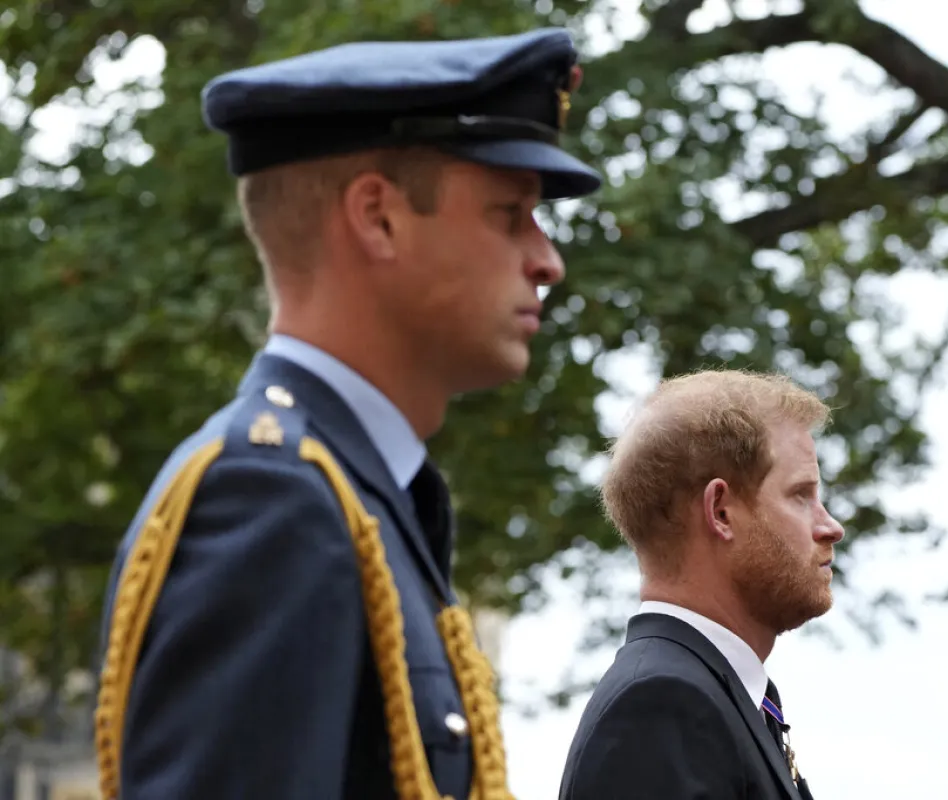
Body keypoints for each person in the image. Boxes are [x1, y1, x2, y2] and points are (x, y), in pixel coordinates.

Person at [91, 28, 601, 800]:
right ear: (378, 217)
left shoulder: (356, 494)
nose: (547, 260)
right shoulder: (270, 499)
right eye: (509, 214)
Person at [558, 369, 846, 800]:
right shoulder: (664, 706)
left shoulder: (709, 695)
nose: (831, 527)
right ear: (721, 511)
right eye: (801, 494)